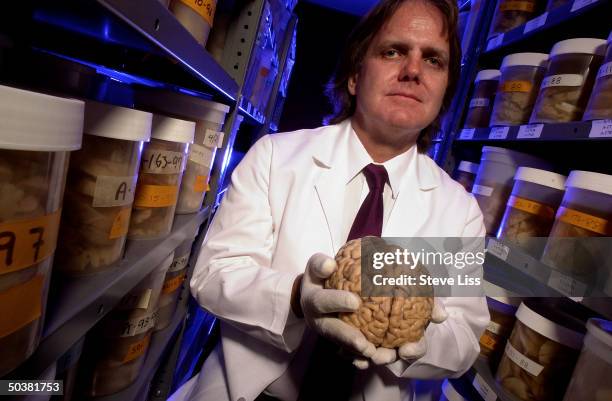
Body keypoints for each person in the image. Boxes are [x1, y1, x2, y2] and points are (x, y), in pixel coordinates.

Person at [174, 0, 489, 400]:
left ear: (444, 93)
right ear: (355, 76)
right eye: (392, 51)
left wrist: (421, 336)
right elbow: (214, 273)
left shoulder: (459, 210)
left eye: (433, 60)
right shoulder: (275, 157)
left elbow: (465, 336)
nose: (412, 71)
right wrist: (294, 298)